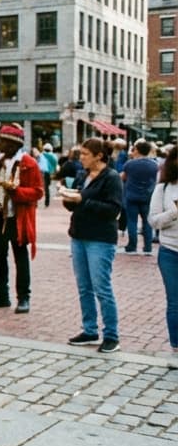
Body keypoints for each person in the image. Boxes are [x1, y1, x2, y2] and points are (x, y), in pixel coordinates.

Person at [62, 138, 124, 354]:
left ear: (99, 156)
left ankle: (111, 335)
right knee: (84, 287)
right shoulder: (83, 175)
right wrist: (68, 199)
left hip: (100, 238)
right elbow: (78, 202)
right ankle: (89, 329)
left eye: (85, 154)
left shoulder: (112, 177)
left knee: (102, 287)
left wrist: (82, 201)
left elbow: (113, 209)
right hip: (79, 235)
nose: (81, 158)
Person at [0, 123, 43, 314]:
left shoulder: (28, 163)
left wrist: (16, 191)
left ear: (14, 144)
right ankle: (2, 295)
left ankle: (23, 298)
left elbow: (38, 192)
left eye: (3, 141)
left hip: (17, 219)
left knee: (20, 259)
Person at [147, 145, 178, 364]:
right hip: (170, 251)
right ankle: (176, 348)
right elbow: (154, 220)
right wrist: (174, 213)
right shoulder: (164, 188)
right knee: (175, 302)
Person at [122, 139, 159, 255]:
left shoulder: (129, 164)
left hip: (131, 196)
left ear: (137, 150)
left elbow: (123, 177)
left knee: (132, 221)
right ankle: (147, 247)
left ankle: (132, 246)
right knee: (147, 222)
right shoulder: (154, 165)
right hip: (147, 196)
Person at [40, 143, 59, 207]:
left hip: (43, 172)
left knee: (44, 187)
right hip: (50, 173)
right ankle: (47, 202)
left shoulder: (42, 155)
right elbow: (56, 165)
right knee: (47, 187)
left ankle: (44, 201)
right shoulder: (54, 156)